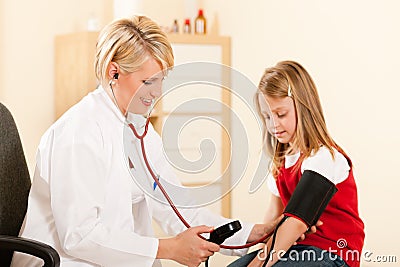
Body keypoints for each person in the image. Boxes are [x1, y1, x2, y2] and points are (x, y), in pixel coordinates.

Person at [11, 16, 282, 267]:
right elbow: (80, 236)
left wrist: (249, 233)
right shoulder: (79, 133)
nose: (157, 92)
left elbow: (178, 207)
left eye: (162, 80)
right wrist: (168, 249)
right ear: (113, 72)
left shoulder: (139, 131)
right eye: (148, 81)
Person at [228, 60, 364, 267]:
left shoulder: (323, 157)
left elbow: (296, 222)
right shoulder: (281, 163)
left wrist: (258, 264)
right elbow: (274, 219)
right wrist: (254, 252)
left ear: (303, 108)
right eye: (266, 116)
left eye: (281, 114)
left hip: (333, 252)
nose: (273, 124)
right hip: (297, 250)